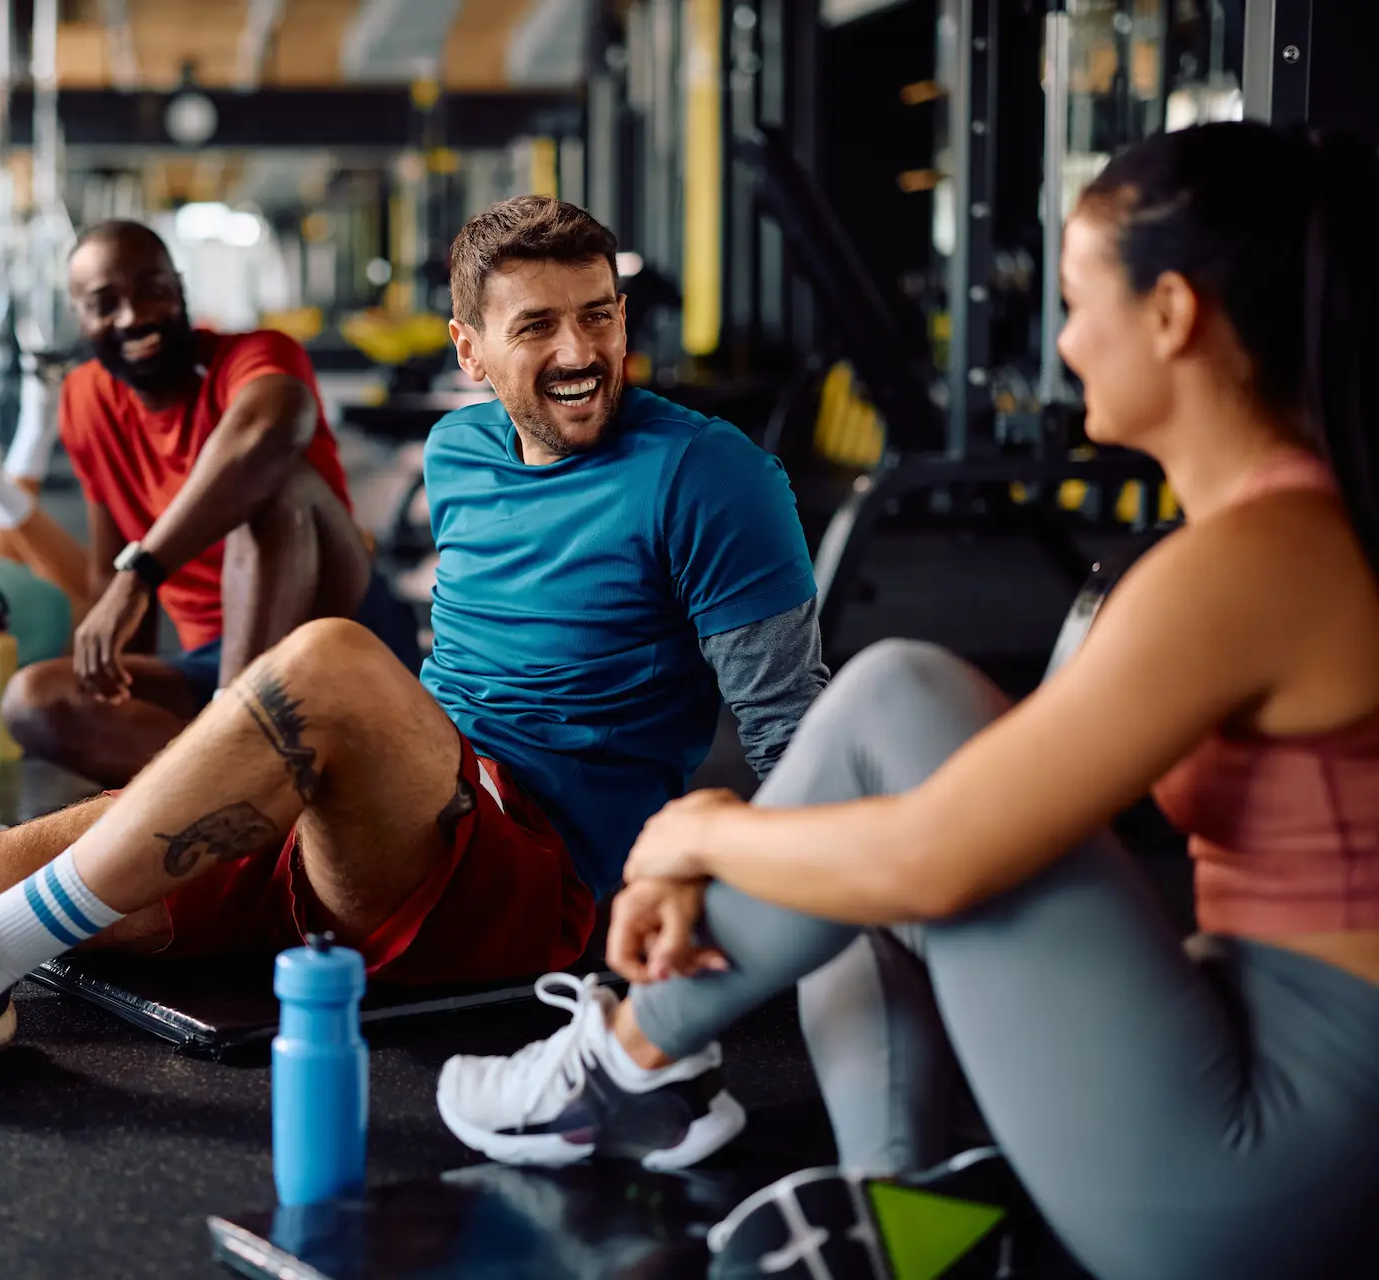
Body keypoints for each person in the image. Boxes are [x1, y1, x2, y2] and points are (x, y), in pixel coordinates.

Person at [0, 200, 825, 1138]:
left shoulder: (715, 479)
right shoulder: (463, 458)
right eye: (539, 329)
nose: (583, 353)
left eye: (600, 317)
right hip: (375, 823)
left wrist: (765, 915)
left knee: (335, 663)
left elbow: (795, 739)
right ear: (470, 352)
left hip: (531, 874)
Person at [433, 124, 1379, 1280]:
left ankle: (624, 1060)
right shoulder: (1278, 536)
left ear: (1173, 315)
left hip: (1265, 1169)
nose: (1066, 344)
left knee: (892, 711)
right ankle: (892, 1207)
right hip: (1270, 1067)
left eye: (1078, 305)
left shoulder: (1258, 561)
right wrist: (764, 841)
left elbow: (934, 855)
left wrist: (702, 830)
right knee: (881, 741)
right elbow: (968, 813)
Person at [0, 219, 421, 784]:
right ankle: (259, 780)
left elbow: (275, 420)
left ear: (179, 290)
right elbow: (114, 567)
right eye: (105, 303)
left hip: (339, 626)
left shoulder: (254, 355)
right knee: (33, 699)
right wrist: (117, 691)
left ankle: (235, 748)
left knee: (273, 482)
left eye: (152, 288)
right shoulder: (86, 399)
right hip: (213, 664)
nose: (134, 315)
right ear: (80, 317)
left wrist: (140, 574)